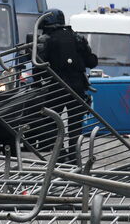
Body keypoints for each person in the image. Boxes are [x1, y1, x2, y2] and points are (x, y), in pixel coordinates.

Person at [35, 9, 97, 164]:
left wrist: (37, 83)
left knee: (50, 121)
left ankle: (60, 155)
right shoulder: (78, 38)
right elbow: (91, 62)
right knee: (75, 123)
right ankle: (75, 157)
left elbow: (38, 66)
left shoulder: (45, 39)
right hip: (77, 87)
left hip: (56, 87)